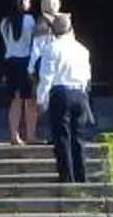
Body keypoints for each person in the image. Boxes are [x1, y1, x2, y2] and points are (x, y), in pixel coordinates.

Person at [38, 11, 96, 184]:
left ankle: (66, 179)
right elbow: (87, 76)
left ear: (54, 32)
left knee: (62, 138)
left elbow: (46, 76)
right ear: (71, 30)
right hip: (79, 93)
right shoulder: (82, 50)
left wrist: (42, 100)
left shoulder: (51, 48)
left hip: (60, 93)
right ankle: (81, 176)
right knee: (78, 138)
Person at [0, 0, 41, 145]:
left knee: (15, 100)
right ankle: (30, 135)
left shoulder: (4, 22)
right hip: (26, 62)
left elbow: (6, 44)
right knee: (30, 101)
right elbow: (34, 42)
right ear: (21, 2)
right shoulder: (30, 20)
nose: (29, 3)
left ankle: (13, 135)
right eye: (28, 0)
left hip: (10, 63)